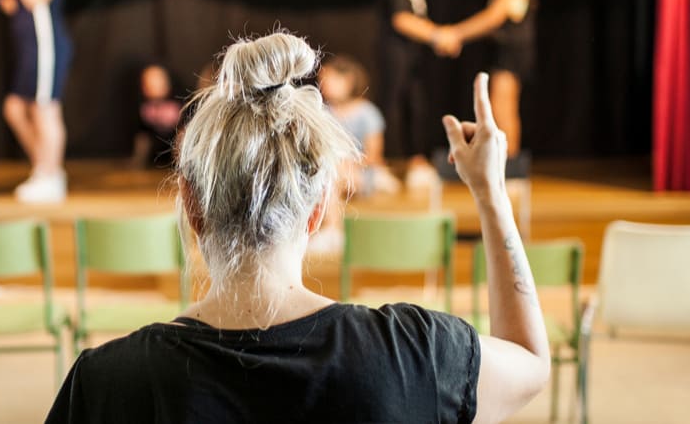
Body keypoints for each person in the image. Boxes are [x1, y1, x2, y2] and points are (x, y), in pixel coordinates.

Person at [45, 32, 550, 423]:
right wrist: (490, 193)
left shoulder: (106, 383)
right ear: (314, 213)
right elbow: (530, 362)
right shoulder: (412, 353)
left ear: (192, 211)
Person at [0, 0, 76, 203]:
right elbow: (17, 4)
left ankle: (51, 176)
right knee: (15, 108)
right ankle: (44, 167)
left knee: (45, 109)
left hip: (47, 50)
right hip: (29, 50)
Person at [432, 0, 537, 157]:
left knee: (503, 109)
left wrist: (455, 33)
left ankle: (511, 166)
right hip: (505, 52)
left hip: (513, 53)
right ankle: (507, 164)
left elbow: (492, 18)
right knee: (499, 108)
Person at [373, 0, 443, 191]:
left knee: (415, 104)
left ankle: (416, 161)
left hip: (412, 55)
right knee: (392, 105)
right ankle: (380, 163)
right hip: (395, 53)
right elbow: (402, 19)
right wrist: (439, 35)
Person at [318, 55, 400, 196]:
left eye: (331, 80)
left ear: (349, 80)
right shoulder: (322, 112)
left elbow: (374, 156)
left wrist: (348, 165)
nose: (324, 84)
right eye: (322, 80)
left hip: (360, 171)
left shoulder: (367, 113)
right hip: (331, 170)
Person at [130, 64, 182, 169]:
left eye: (158, 82)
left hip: (174, 145)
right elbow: (141, 133)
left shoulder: (178, 101)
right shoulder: (143, 107)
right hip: (153, 152)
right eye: (149, 83)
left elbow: (184, 126)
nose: (154, 86)